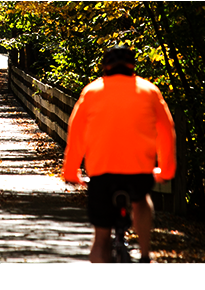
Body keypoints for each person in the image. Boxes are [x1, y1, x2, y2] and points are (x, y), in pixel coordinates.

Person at [62, 45, 176, 263]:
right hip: (139, 169)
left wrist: (71, 171)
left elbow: (76, 132)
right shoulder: (150, 91)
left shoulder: (92, 91)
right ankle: (144, 254)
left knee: (101, 237)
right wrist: (166, 169)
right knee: (141, 199)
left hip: (101, 171)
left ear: (105, 66)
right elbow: (166, 131)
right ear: (133, 66)